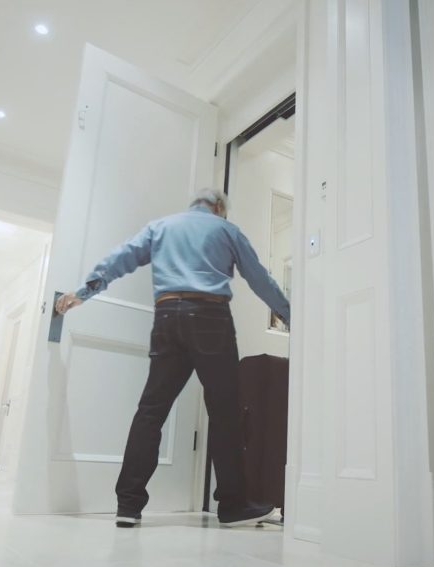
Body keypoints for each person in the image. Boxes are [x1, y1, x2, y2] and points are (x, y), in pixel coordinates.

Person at [55, 188, 290, 529]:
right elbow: (259, 279)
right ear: (220, 207)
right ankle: (233, 506)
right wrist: (290, 314)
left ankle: (128, 505)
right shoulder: (227, 230)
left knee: (151, 410)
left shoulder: (160, 227)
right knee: (225, 413)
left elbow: (119, 258)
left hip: (167, 316)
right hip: (210, 318)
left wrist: (83, 293)